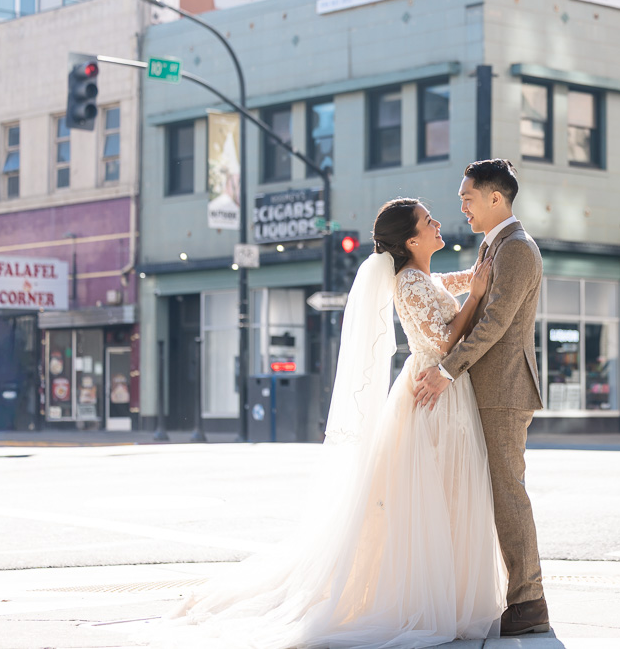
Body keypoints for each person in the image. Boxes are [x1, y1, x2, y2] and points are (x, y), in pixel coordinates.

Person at [142, 198, 505, 649]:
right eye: (428, 221)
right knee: (432, 497)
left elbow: (442, 288)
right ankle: (430, 597)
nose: (437, 224)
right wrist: (476, 292)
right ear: (412, 240)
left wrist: (476, 275)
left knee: (443, 495)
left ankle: (448, 593)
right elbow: (445, 337)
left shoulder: (418, 277)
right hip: (433, 394)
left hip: (441, 391)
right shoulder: (410, 281)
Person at [413, 159, 548, 636]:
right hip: (486, 388)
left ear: (496, 198)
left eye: (468, 198)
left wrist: (445, 370)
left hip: (503, 390)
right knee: (490, 493)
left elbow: (494, 324)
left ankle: (529, 601)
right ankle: (517, 597)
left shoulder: (516, 249)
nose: (463, 207)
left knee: (507, 493)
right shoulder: (494, 246)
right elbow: (470, 293)